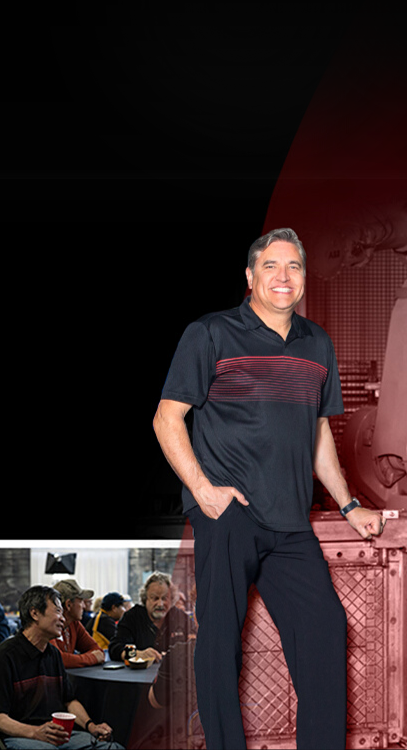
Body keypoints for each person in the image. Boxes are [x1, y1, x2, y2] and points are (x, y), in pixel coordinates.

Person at [154, 227, 383, 749]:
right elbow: (167, 419)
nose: (284, 277)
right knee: (218, 644)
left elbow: (318, 431)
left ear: (304, 278)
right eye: (272, 267)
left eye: (294, 267)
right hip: (230, 513)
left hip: (291, 523)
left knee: (324, 631)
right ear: (250, 276)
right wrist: (204, 491)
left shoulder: (316, 341)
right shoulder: (209, 333)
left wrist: (349, 505)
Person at [0, 585, 119, 750]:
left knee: (113, 748)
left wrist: (91, 726)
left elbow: (69, 701)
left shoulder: (53, 653)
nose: (62, 619)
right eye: (57, 611)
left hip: (54, 733)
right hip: (18, 735)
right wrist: (35, 732)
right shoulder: (4, 656)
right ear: (35, 613)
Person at [108, 573, 172, 663]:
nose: (160, 604)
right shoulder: (132, 617)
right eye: (155, 598)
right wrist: (136, 654)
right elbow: (114, 649)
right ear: (145, 599)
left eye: (165, 598)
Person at [50, 579, 105, 669]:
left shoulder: (74, 623)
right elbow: (59, 660)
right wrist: (92, 657)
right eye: (81, 601)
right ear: (68, 605)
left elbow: (97, 650)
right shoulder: (49, 625)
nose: (84, 606)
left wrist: (74, 660)